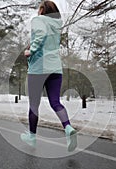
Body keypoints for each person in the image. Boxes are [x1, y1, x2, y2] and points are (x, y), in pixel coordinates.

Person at [20, 0, 77, 152]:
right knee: (55, 102)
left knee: (34, 105)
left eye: (39, 8)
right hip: (55, 69)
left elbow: (40, 37)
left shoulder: (38, 20)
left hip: (39, 68)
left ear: (43, 9)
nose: (37, 11)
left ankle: (32, 137)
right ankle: (68, 127)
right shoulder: (57, 24)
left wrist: (30, 51)